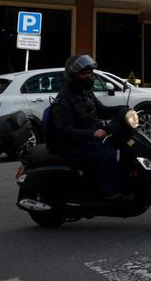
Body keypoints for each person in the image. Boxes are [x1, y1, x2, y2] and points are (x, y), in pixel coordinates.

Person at [46, 54, 120, 199]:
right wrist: (92, 134)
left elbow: (102, 110)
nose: (89, 76)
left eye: (90, 73)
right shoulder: (63, 99)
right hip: (72, 145)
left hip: (87, 139)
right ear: (73, 76)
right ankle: (109, 194)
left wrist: (124, 109)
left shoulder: (86, 92)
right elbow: (65, 131)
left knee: (119, 142)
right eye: (84, 73)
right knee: (107, 154)